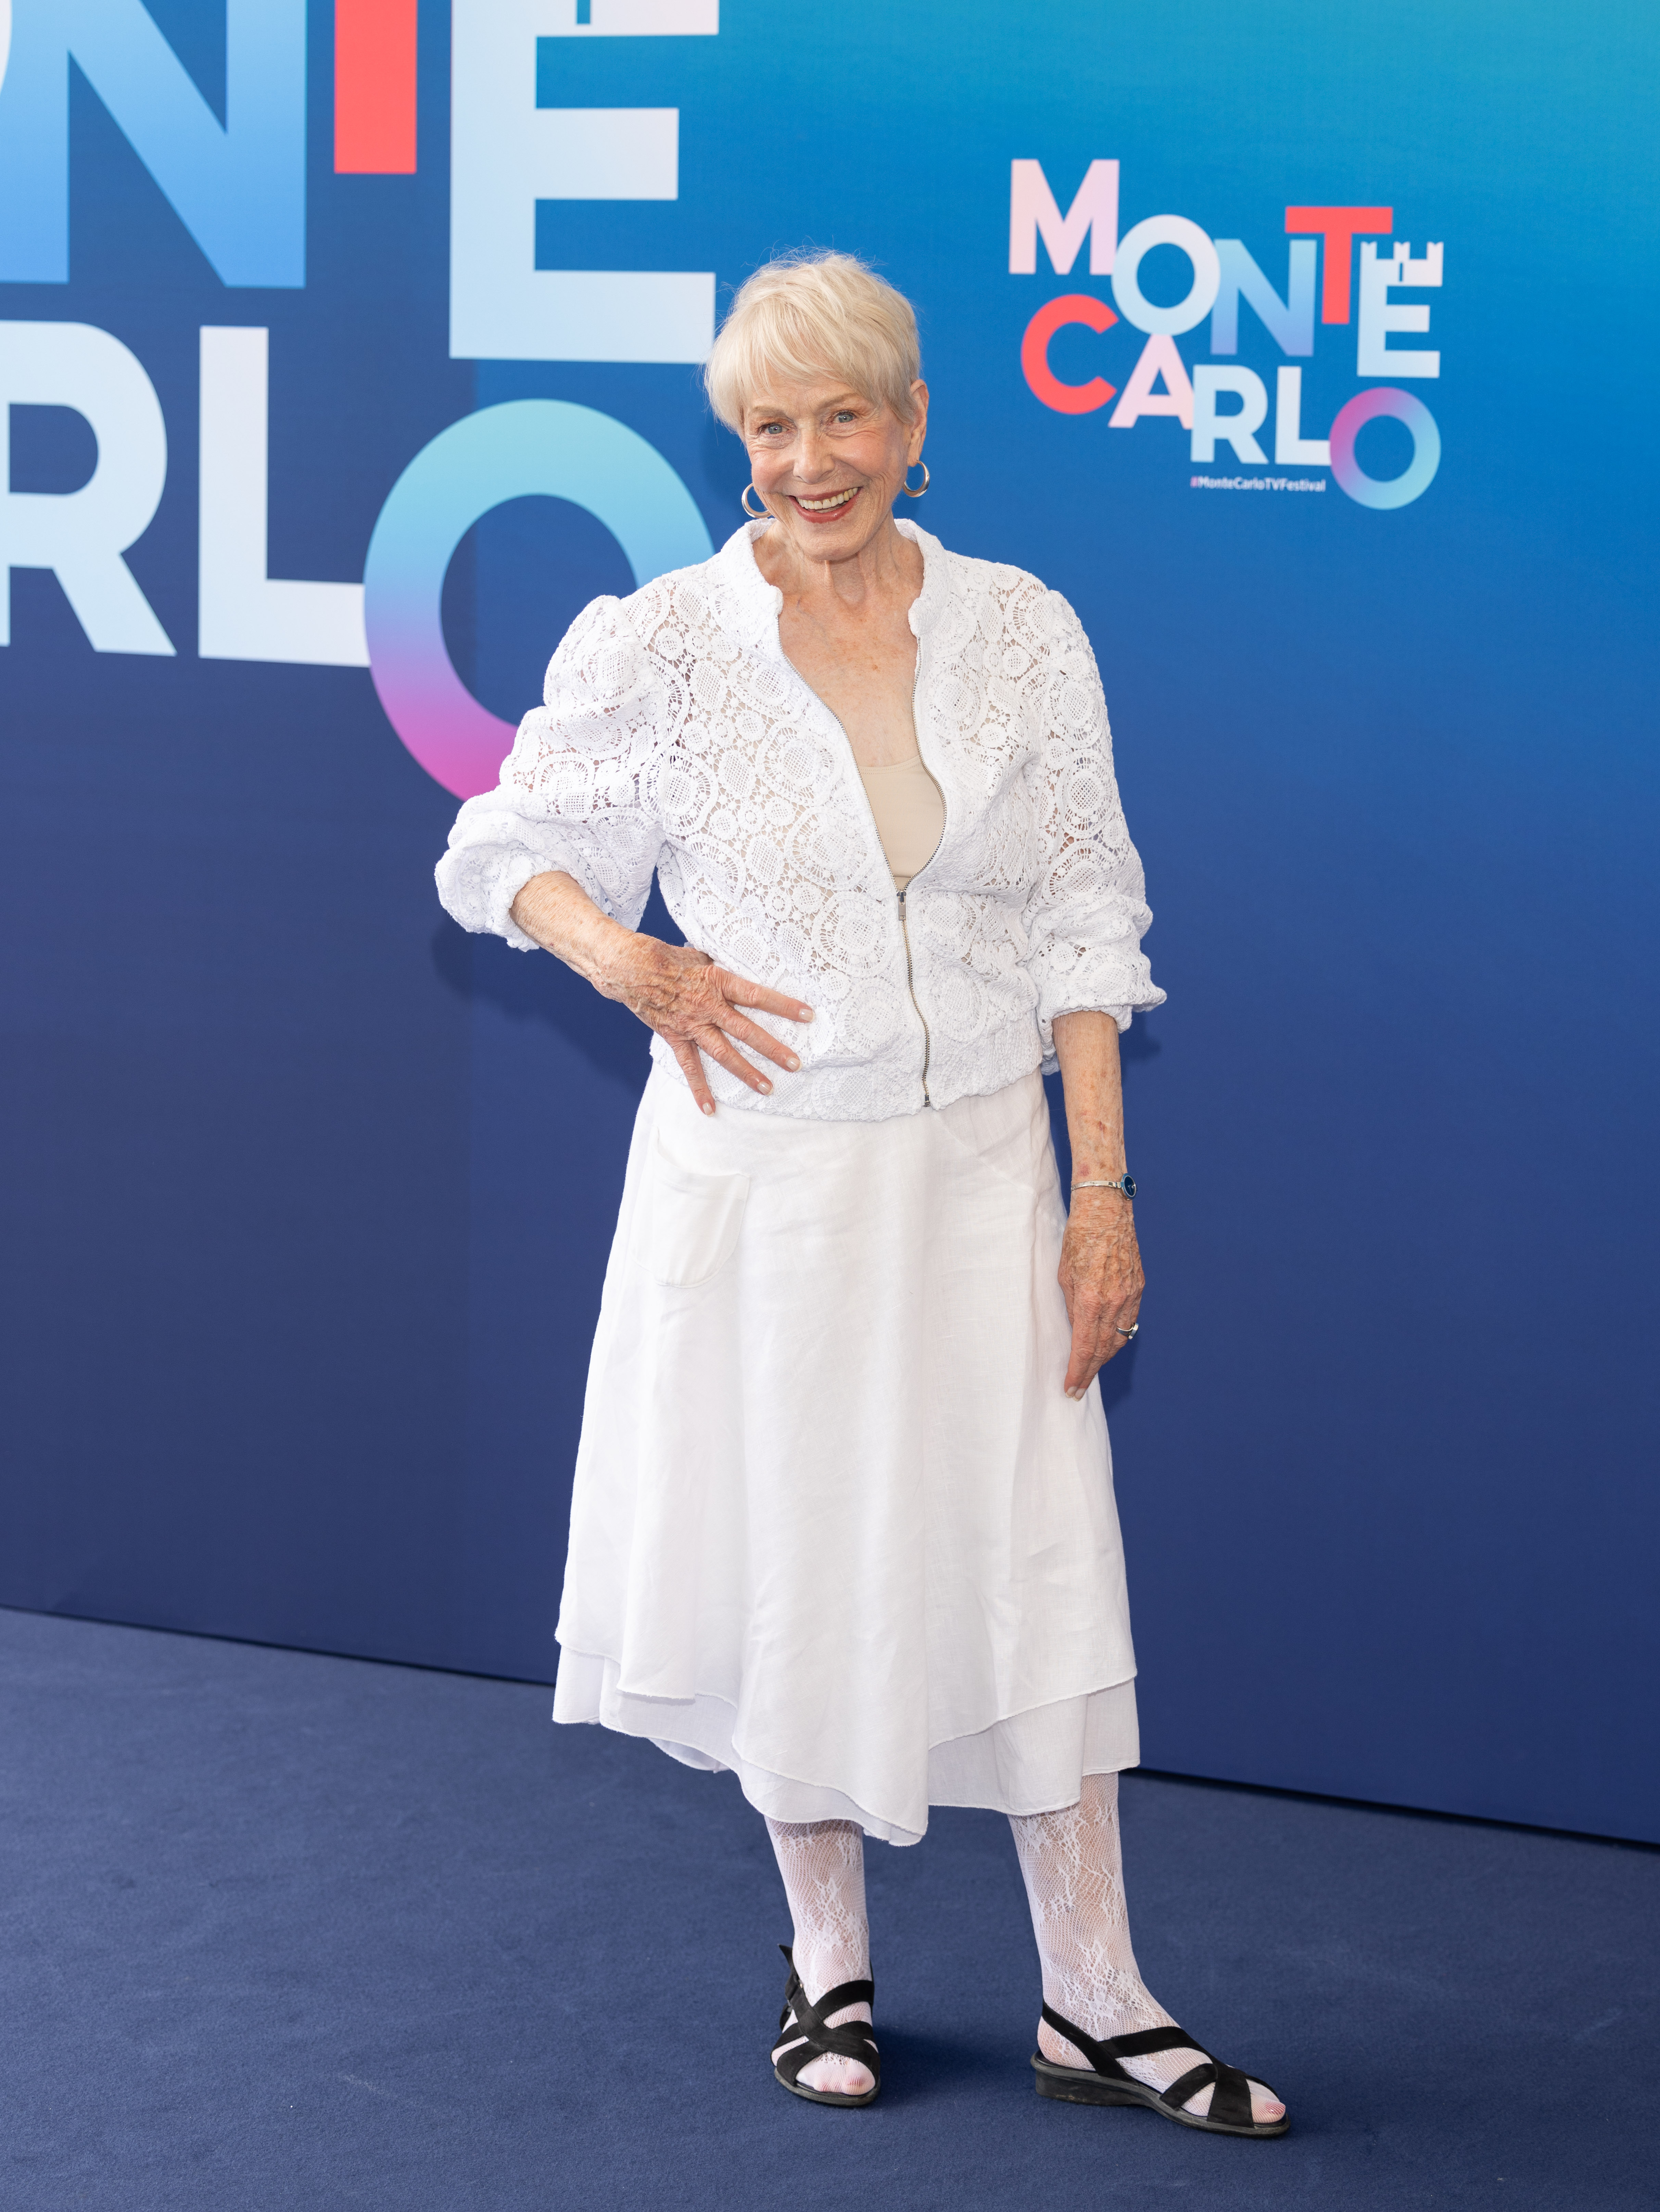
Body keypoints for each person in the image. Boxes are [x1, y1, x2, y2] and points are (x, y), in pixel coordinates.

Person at [435, 251, 1287, 2137]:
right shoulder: (661, 642)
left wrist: (1102, 1194)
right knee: (799, 1557)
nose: (808, 462)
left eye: (842, 419)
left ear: (910, 425)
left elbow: (1087, 915)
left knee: (1037, 1562)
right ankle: (828, 1962)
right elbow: (501, 848)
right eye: (770, 427)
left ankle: (1095, 1995)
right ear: (735, 445)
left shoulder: (1022, 631)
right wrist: (632, 965)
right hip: (770, 1182)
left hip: (985, 1165)